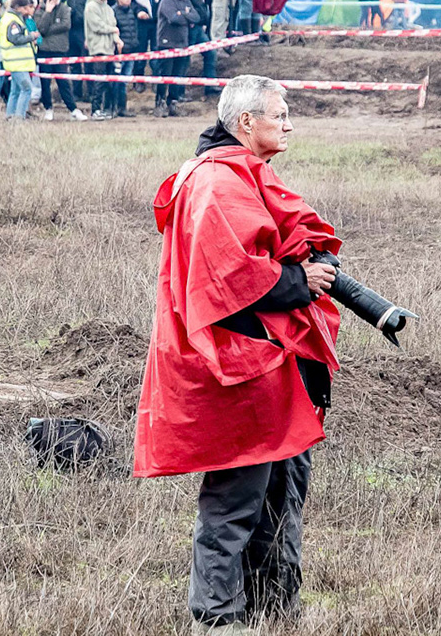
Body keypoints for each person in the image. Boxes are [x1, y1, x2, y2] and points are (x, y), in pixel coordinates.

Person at [135, 75, 342, 630]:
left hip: (273, 370)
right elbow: (227, 278)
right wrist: (300, 280)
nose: (289, 125)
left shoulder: (240, 173)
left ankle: (274, 611)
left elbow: (273, 247)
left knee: (282, 495)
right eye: (280, 115)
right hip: (238, 369)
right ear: (246, 122)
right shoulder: (216, 183)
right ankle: (218, 619)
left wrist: (310, 265)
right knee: (234, 502)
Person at [153, 0, 203, 117]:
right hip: (167, 44)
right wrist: (187, 17)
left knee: (178, 75)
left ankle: (172, 103)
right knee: (165, 75)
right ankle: (160, 103)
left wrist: (183, 14)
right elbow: (174, 18)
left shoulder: (186, 1)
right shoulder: (167, 0)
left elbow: (197, 17)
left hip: (182, 44)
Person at [33, 0, 83, 120]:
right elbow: (40, 28)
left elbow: (66, 25)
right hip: (45, 51)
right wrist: (48, 13)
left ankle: (73, 109)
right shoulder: (40, 11)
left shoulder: (65, 8)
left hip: (60, 50)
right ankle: (48, 108)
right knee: (45, 82)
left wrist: (49, 28)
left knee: (63, 82)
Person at [83, 0, 122, 119]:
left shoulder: (109, 9)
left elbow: (113, 26)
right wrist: (113, 30)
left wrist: (117, 40)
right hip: (98, 48)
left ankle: (108, 108)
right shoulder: (91, 7)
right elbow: (97, 26)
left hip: (110, 48)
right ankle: (95, 109)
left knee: (109, 81)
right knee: (99, 81)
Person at [0, 0, 40, 121]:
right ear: (18, 7)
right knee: (26, 89)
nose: (27, 10)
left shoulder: (14, 18)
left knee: (15, 91)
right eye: (25, 7)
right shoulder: (13, 20)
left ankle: (10, 116)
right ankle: (19, 118)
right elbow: (15, 39)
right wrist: (31, 37)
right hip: (17, 63)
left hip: (16, 62)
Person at [112, 0, 143, 118]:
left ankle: (122, 108)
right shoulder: (113, 11)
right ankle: (113, 107)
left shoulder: (132, 11)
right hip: (119, 52)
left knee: (124, 81)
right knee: (115, 81)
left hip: (131, 51)